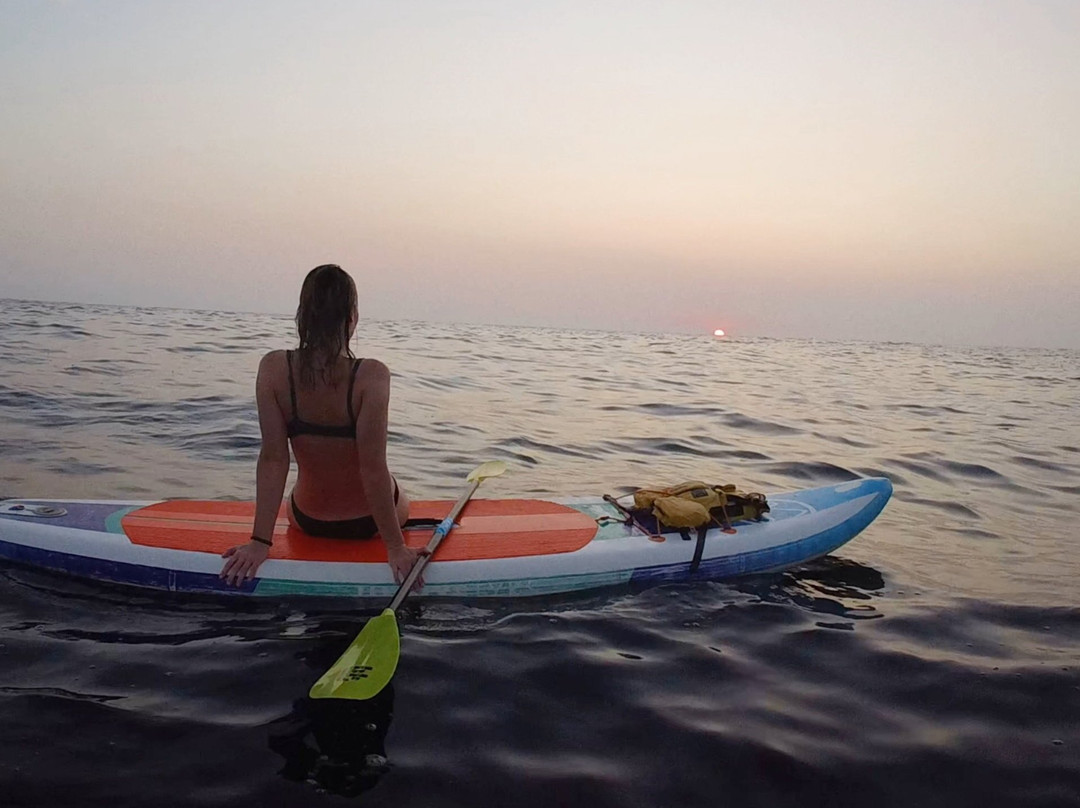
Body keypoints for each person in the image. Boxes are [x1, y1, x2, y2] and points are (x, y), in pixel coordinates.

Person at [219, 264, 420, 587]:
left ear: (303, 316)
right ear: (351, 318)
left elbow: (273, 459)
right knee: (400, 489)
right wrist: (396, 548)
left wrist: (259, 542)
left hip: (307, 519)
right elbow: (373, 469)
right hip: (366, 522)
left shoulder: (273, 369)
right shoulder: (371, 376)